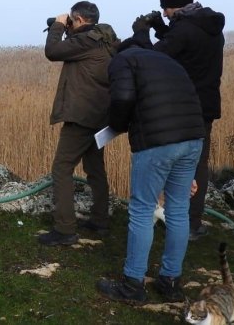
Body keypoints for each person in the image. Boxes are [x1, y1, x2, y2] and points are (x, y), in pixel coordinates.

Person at [96, 39, 205, 304]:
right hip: (193, 138)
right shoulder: (169, 61)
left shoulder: (123, 59)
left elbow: (122, 97)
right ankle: (171, 282)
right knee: (178, 209)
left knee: (142, 209)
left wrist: (116, 125)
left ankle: (132, 285)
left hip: (157, 143)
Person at [131, 0, 224, 241]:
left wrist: (141, 33)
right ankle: (192, 223)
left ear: (176, 6)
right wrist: (161, 28)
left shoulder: (184, 29)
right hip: (206, 104)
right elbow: (183, 46)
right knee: (198, 162)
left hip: (184, 106)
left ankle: (176, 220)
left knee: (176, 162)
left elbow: (153, 57)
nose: (164, 13)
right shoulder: (207, 24)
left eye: (166, 8)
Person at [38, 1, 120, 246]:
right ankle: (100, 220)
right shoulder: (106, 41)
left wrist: (57, 26)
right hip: (101, 116)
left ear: (80, 20)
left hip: (82, 116)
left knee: (62, 168)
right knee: (95, 168)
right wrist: (67, 28)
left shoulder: (86, 40)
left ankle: (65, 229)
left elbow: (53, 51)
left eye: (72, 21)